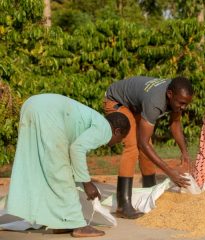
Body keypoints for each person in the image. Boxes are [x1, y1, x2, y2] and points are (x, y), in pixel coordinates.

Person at [6, 94, 130, 238]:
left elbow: (73, 149)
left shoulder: (94, 119)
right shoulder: (105, 129)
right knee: (61, 173)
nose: (117, 143)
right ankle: (78, 225)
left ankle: (61, 222)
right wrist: (87, 183)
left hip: (31, 105)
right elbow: (77, 149)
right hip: (47, 111)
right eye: (120, 139)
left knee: (44, 169)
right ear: (117, 131)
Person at [104, 76, 193, 219]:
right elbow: (142, 143)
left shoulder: (175, 95)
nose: (183, 107)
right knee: (133, 147)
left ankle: (150, 193)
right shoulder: (155, 102)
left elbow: (175, 124)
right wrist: (170, 171)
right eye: (181, 103)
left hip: (134, 105)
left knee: (147, 149)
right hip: (117, 101)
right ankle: (123, 204)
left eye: (186, 104)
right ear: (170, 94)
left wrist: (185, 152)